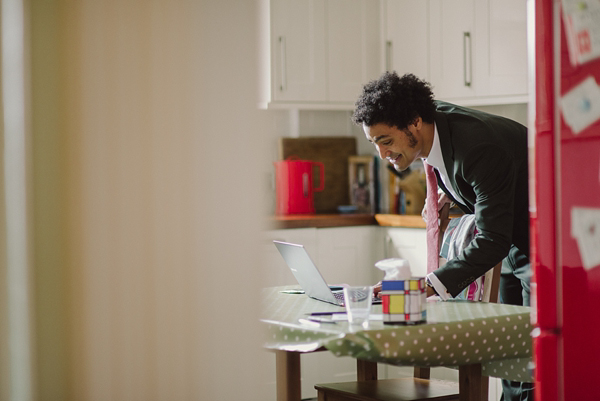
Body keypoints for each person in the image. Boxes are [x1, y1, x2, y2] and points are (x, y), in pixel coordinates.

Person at [352, 71, 533, 401]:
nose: (382, 154)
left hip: (543, 244)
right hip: (509, 245)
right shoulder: (432, 131)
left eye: (387, 141)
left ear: (414, 123)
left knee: (536, 364)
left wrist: (429, 284)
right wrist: (448, 196)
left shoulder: (478, 147)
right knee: (512, 361)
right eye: (374, 143)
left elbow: (492, 238)